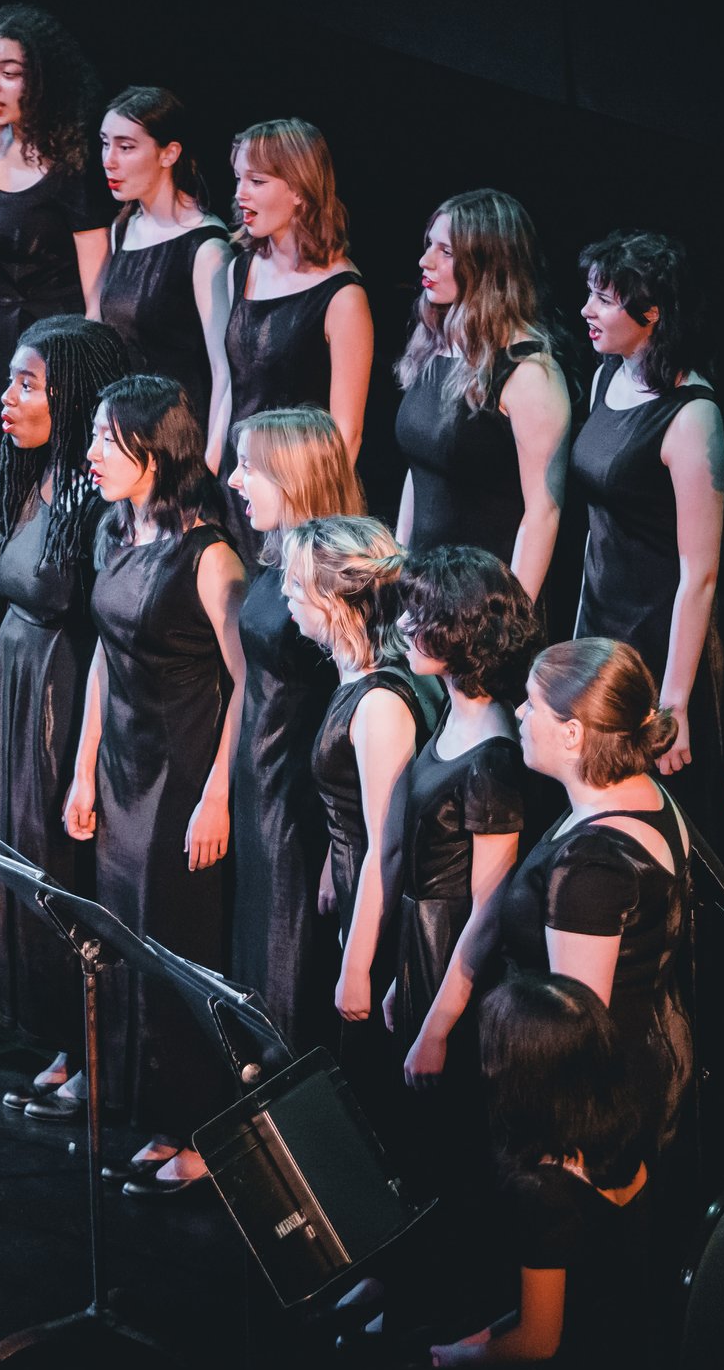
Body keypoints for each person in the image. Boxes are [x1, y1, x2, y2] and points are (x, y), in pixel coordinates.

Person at [66, 376, 248, 1193]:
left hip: (182, 773)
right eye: (95, 437)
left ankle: (206, 1133)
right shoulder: (114, 527)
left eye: (110, 439)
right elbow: (105, 651)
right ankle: (159, 1113)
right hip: (123, 764)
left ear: (156, 449)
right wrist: (82, 768)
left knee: (180, 951)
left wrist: (219, 794)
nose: (93, 452)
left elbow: (249, 682)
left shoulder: (209, 554)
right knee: (127, 947)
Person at [0, 317, 129, 1119]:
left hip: (61, 689)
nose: (8, 398)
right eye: (11, 379)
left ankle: (95, 1047)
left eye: (28, 384)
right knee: (24, 864)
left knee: (65, 874)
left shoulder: (94, 496)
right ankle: (61, 1037)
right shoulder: (31, 472)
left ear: (69, 398)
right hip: (13, 677)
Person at [484, 640, 694, 1150]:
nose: (519, 711)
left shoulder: (592, 867)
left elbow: (574, 1032)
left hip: (601, 1111)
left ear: (573, 734)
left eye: (533, 703)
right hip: (650, 1054)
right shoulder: (637, 789)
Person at [572, 231, 724, 831]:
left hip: (659, 644)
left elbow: (701, 574)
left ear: (652, 313)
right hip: (600, 627)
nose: (587, 310)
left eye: (604, 299)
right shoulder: (605, 377)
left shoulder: (692, 415)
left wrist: (675, 699)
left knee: (648, 821)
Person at [284, 517, 443, 1095]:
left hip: (381, 915)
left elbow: (389, 842)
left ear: (339, 601)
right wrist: (332, 855)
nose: (285, 597)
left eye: (299, 587)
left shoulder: (380, 703)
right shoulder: (356, 674)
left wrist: (358, 965)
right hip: (354, 885)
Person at [431, 972, 655, 1370]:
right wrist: (493, 1332)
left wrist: (455, 1359)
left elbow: (539, 1342)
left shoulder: (543, 1196)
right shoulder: (623, 1136)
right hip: (628, 1346)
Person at [226, 409, 355, 1043]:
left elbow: (351, 714)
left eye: (249, 467)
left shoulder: (335, 576)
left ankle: (280, 1134)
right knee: (251, 959)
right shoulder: (277, 555)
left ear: (295, 475)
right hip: (257, 787)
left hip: (297, 801)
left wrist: (338, 848)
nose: (233, 480)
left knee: (285, 967)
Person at [396, 546, 537, 1091]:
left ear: (463, 631)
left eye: (423, 617)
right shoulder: (455, 707)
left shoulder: (493, 755)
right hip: (420, 946)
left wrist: (437, 1027)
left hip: (452, 963)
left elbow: (488, 911)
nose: (405, 625)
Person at [393, 190, 571, 602]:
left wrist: (510, 625)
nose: (426, 261)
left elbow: (542, 514)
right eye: (429, 245)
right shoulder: (438, 345)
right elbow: (419, 469)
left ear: (489, 265)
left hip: (479, 606)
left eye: (447, 251)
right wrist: (399, 565)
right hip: (420, 590)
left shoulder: (529, 373)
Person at [0, 4, 112, 430]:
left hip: (50, 349)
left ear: (41, 81)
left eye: (9, 73)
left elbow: (95, 299)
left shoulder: (74, 167)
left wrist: (82, 376)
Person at [91, 87, 232, 449]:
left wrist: (209, 470)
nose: (109, 160)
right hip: (126, 430)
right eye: (106, 144)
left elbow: (224, 374)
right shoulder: (123, 228)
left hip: (177, 438)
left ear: (169, 153)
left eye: (126, 147)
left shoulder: (206, 247)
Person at [225, 119, 371, 466]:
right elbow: (232, 388)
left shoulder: (343, 296)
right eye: (238, 178)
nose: (240, 193)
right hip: (237, 479)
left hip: (296, 488)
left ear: (300, 191)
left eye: (257, 181)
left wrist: (313, 514)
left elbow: (346, 433)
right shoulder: (242, 268)